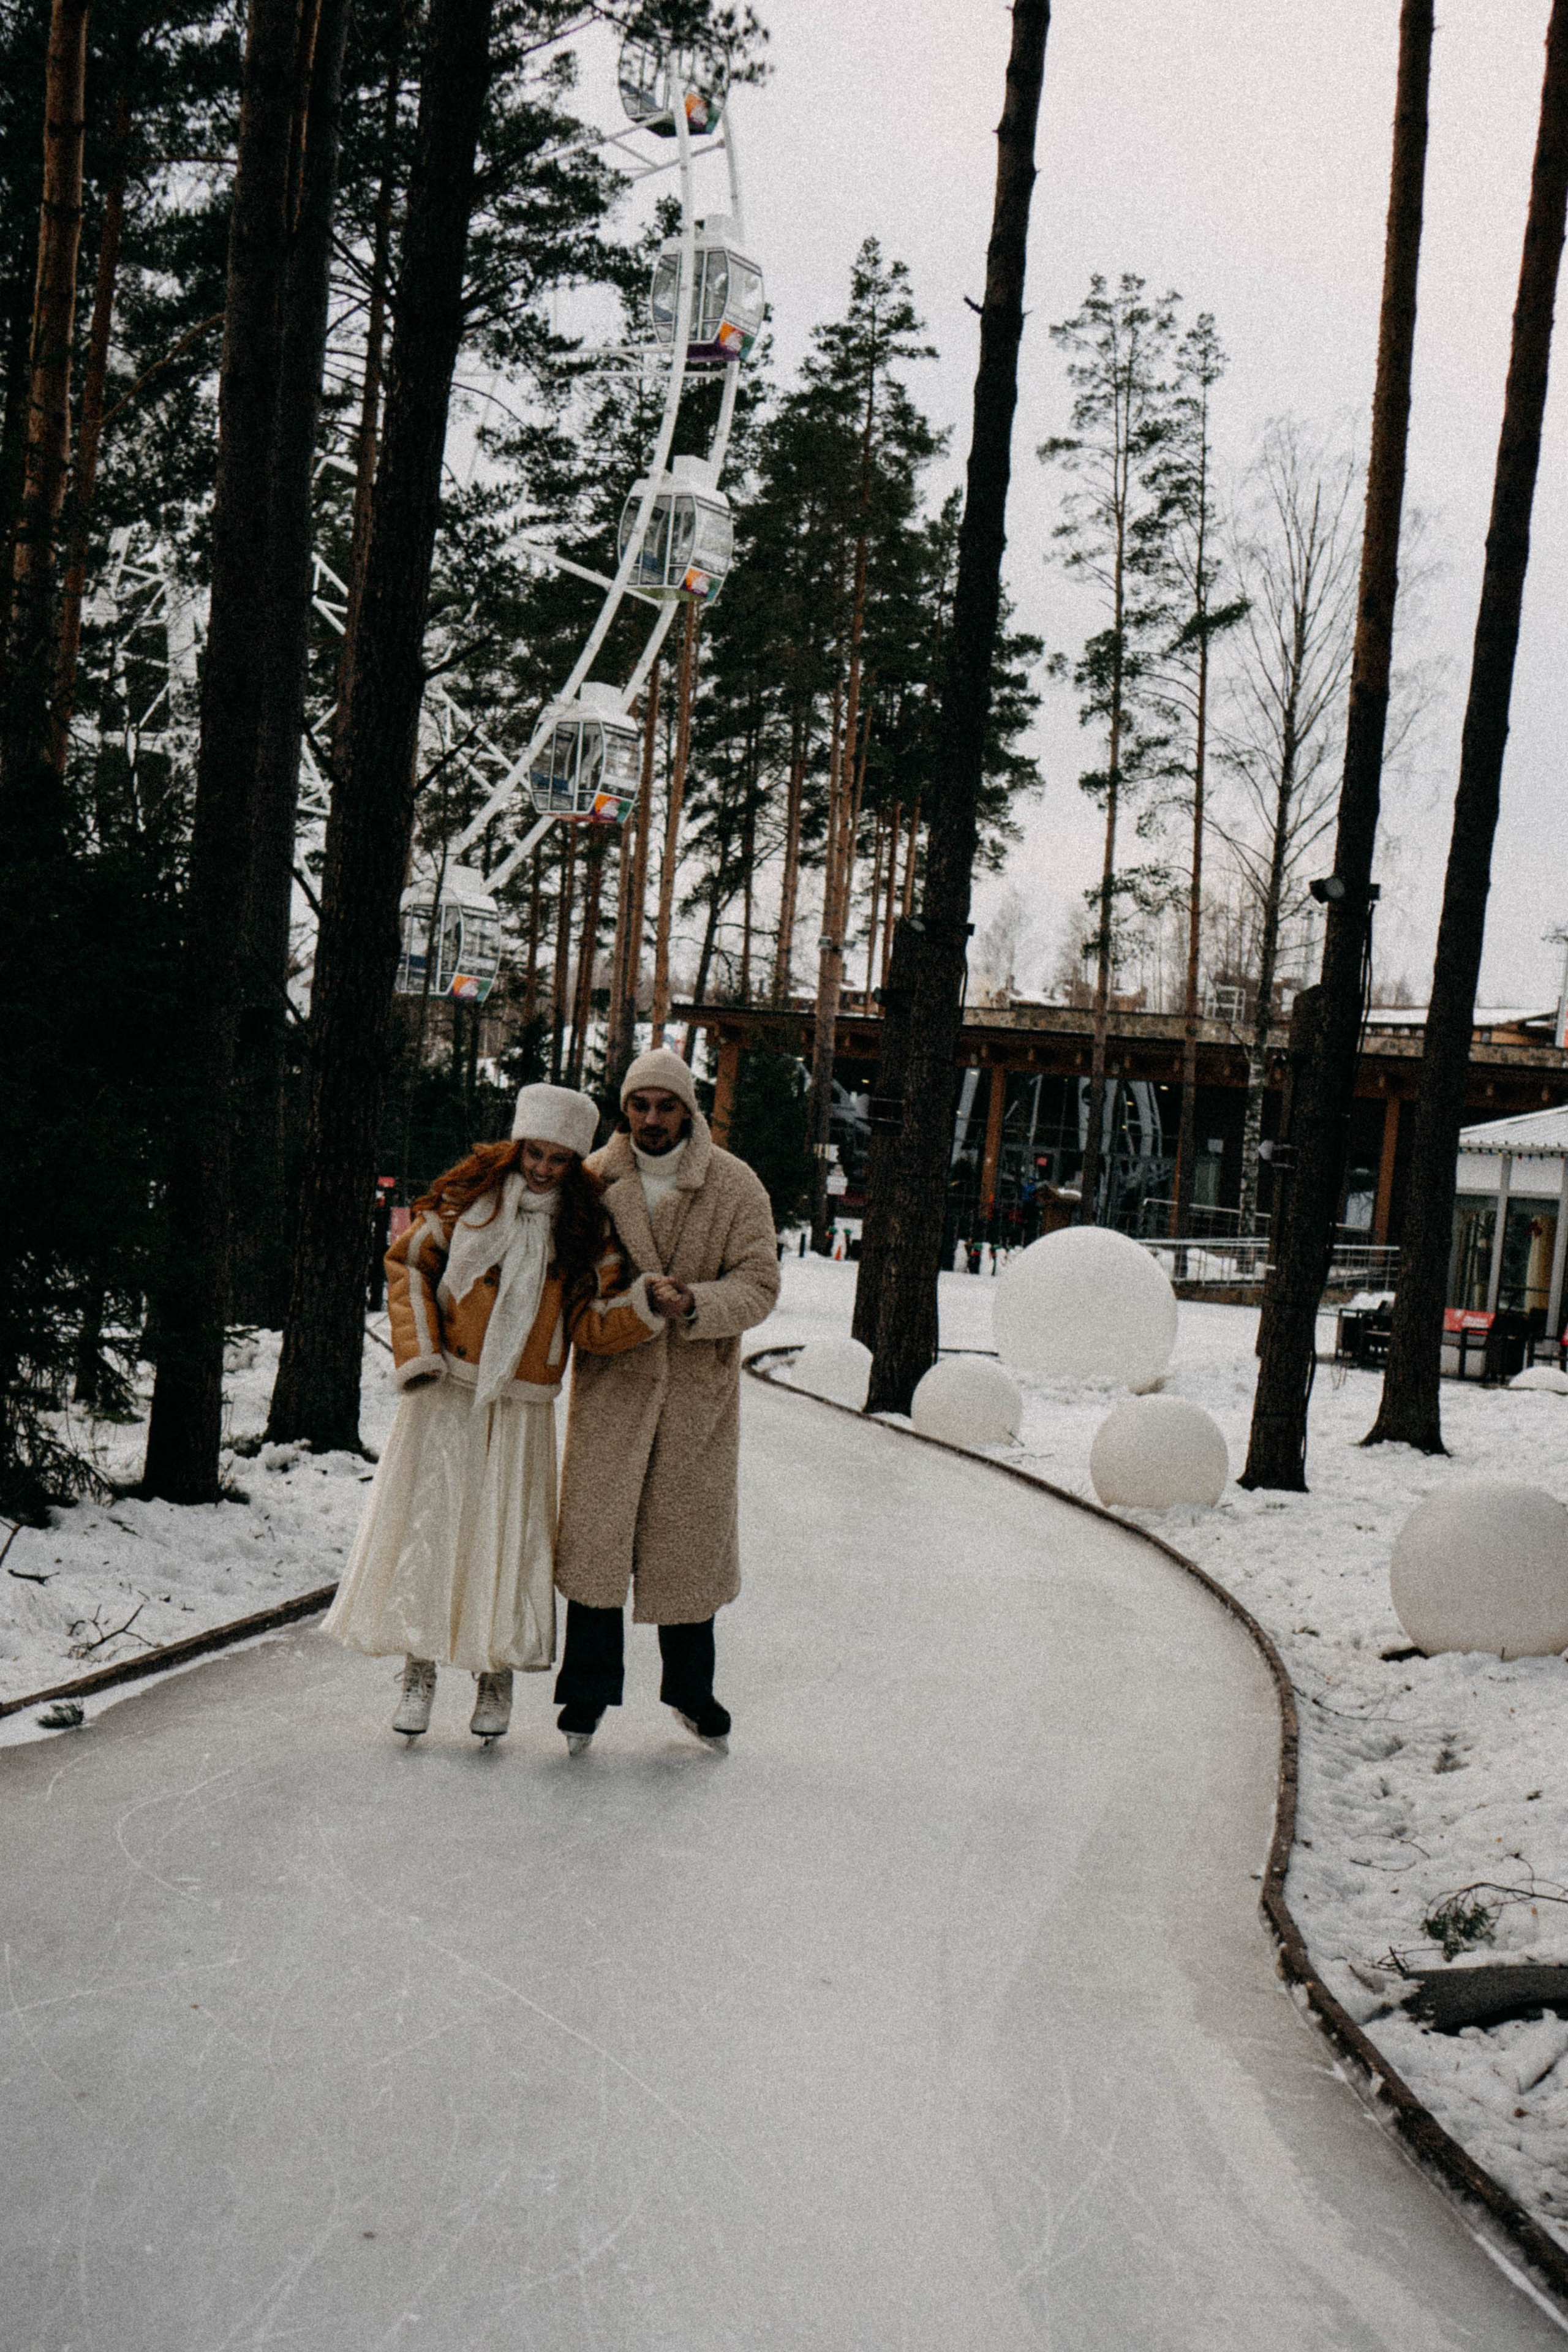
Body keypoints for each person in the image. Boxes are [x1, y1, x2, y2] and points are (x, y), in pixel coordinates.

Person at [323, 1084, 664, 1744]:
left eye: (559, 1159)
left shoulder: (586, 1233)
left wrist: (646, 1306)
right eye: (534, 1152)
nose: (542, 1168)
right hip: (446, 1388)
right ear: (516, 1146)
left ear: (575, 1163)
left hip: (521, 1403)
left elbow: (593, 1324)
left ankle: (493, 1674)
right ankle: (418, 1670)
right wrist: (418, 1352)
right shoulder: (463, 1205)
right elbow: (408, 1267)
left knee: (505, 1536)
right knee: (432, 1525)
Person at [552, 1047, 780, 1755]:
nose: (652, 1119)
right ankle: (585, 1694)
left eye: (666, 1105)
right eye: (640, 1106)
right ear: (625, 1110)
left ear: (689, 1108)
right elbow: (564, 1276)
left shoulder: (734, 1185)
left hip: (693, 1396)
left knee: (686, 1546)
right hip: (614, 1385)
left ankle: (690, 1689)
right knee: (597, 1545)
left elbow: (760, 1282)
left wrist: (698, 1303)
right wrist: (624, 1309)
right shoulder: (591, 1179)